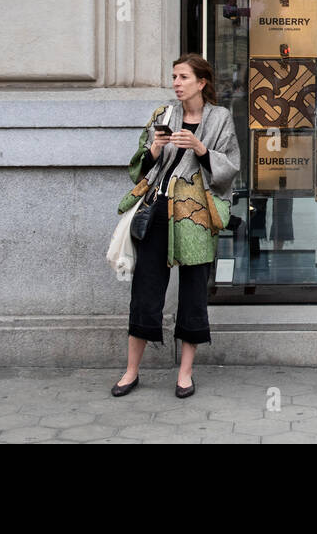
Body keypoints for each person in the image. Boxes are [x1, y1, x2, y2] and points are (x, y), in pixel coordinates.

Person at [113, 53, 240, 398]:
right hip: (157, 211)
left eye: (183, 77)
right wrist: (154, 149)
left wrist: (200, 148)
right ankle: (131, 371)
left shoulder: (220, 118)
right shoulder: (163, 114)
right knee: (145, 289)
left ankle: (184, 374)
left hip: (195, 215)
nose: (176, 84)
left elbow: (230, 168)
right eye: (173, 77)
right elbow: (138, 167)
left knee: (194, 293)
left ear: (202, 82)